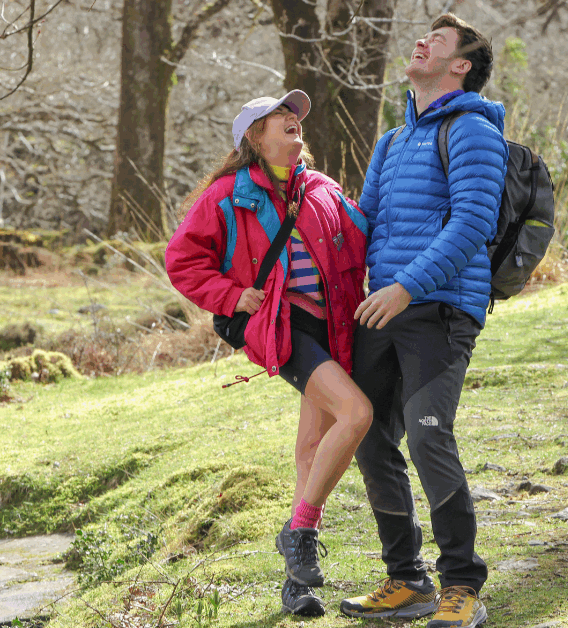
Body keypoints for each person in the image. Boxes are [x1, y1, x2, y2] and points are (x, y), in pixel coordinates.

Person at [165, 90, 372, 617]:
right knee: (355, 413)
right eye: (278, 118)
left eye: (293, 116)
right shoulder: (228, 195)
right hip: (284, 325)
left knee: (312, 447)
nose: (291, 121)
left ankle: (297, 585)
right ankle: (300, 531)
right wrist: (231, 296)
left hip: (333, 324)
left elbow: (365, 240)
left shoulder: (323, 189)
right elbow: (182, 260)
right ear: (254, 138)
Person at [338, 14, 508, 628]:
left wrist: (407, 287)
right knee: (366, 433)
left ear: (460, 64)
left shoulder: (473, 131)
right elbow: (362, 225)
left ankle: (462, 585)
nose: (420, 42)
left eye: (436, 40)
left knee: (428, 434)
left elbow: (473, 224)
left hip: (439, 309)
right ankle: (407, 581)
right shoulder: (392, 140)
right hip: (381, 308)